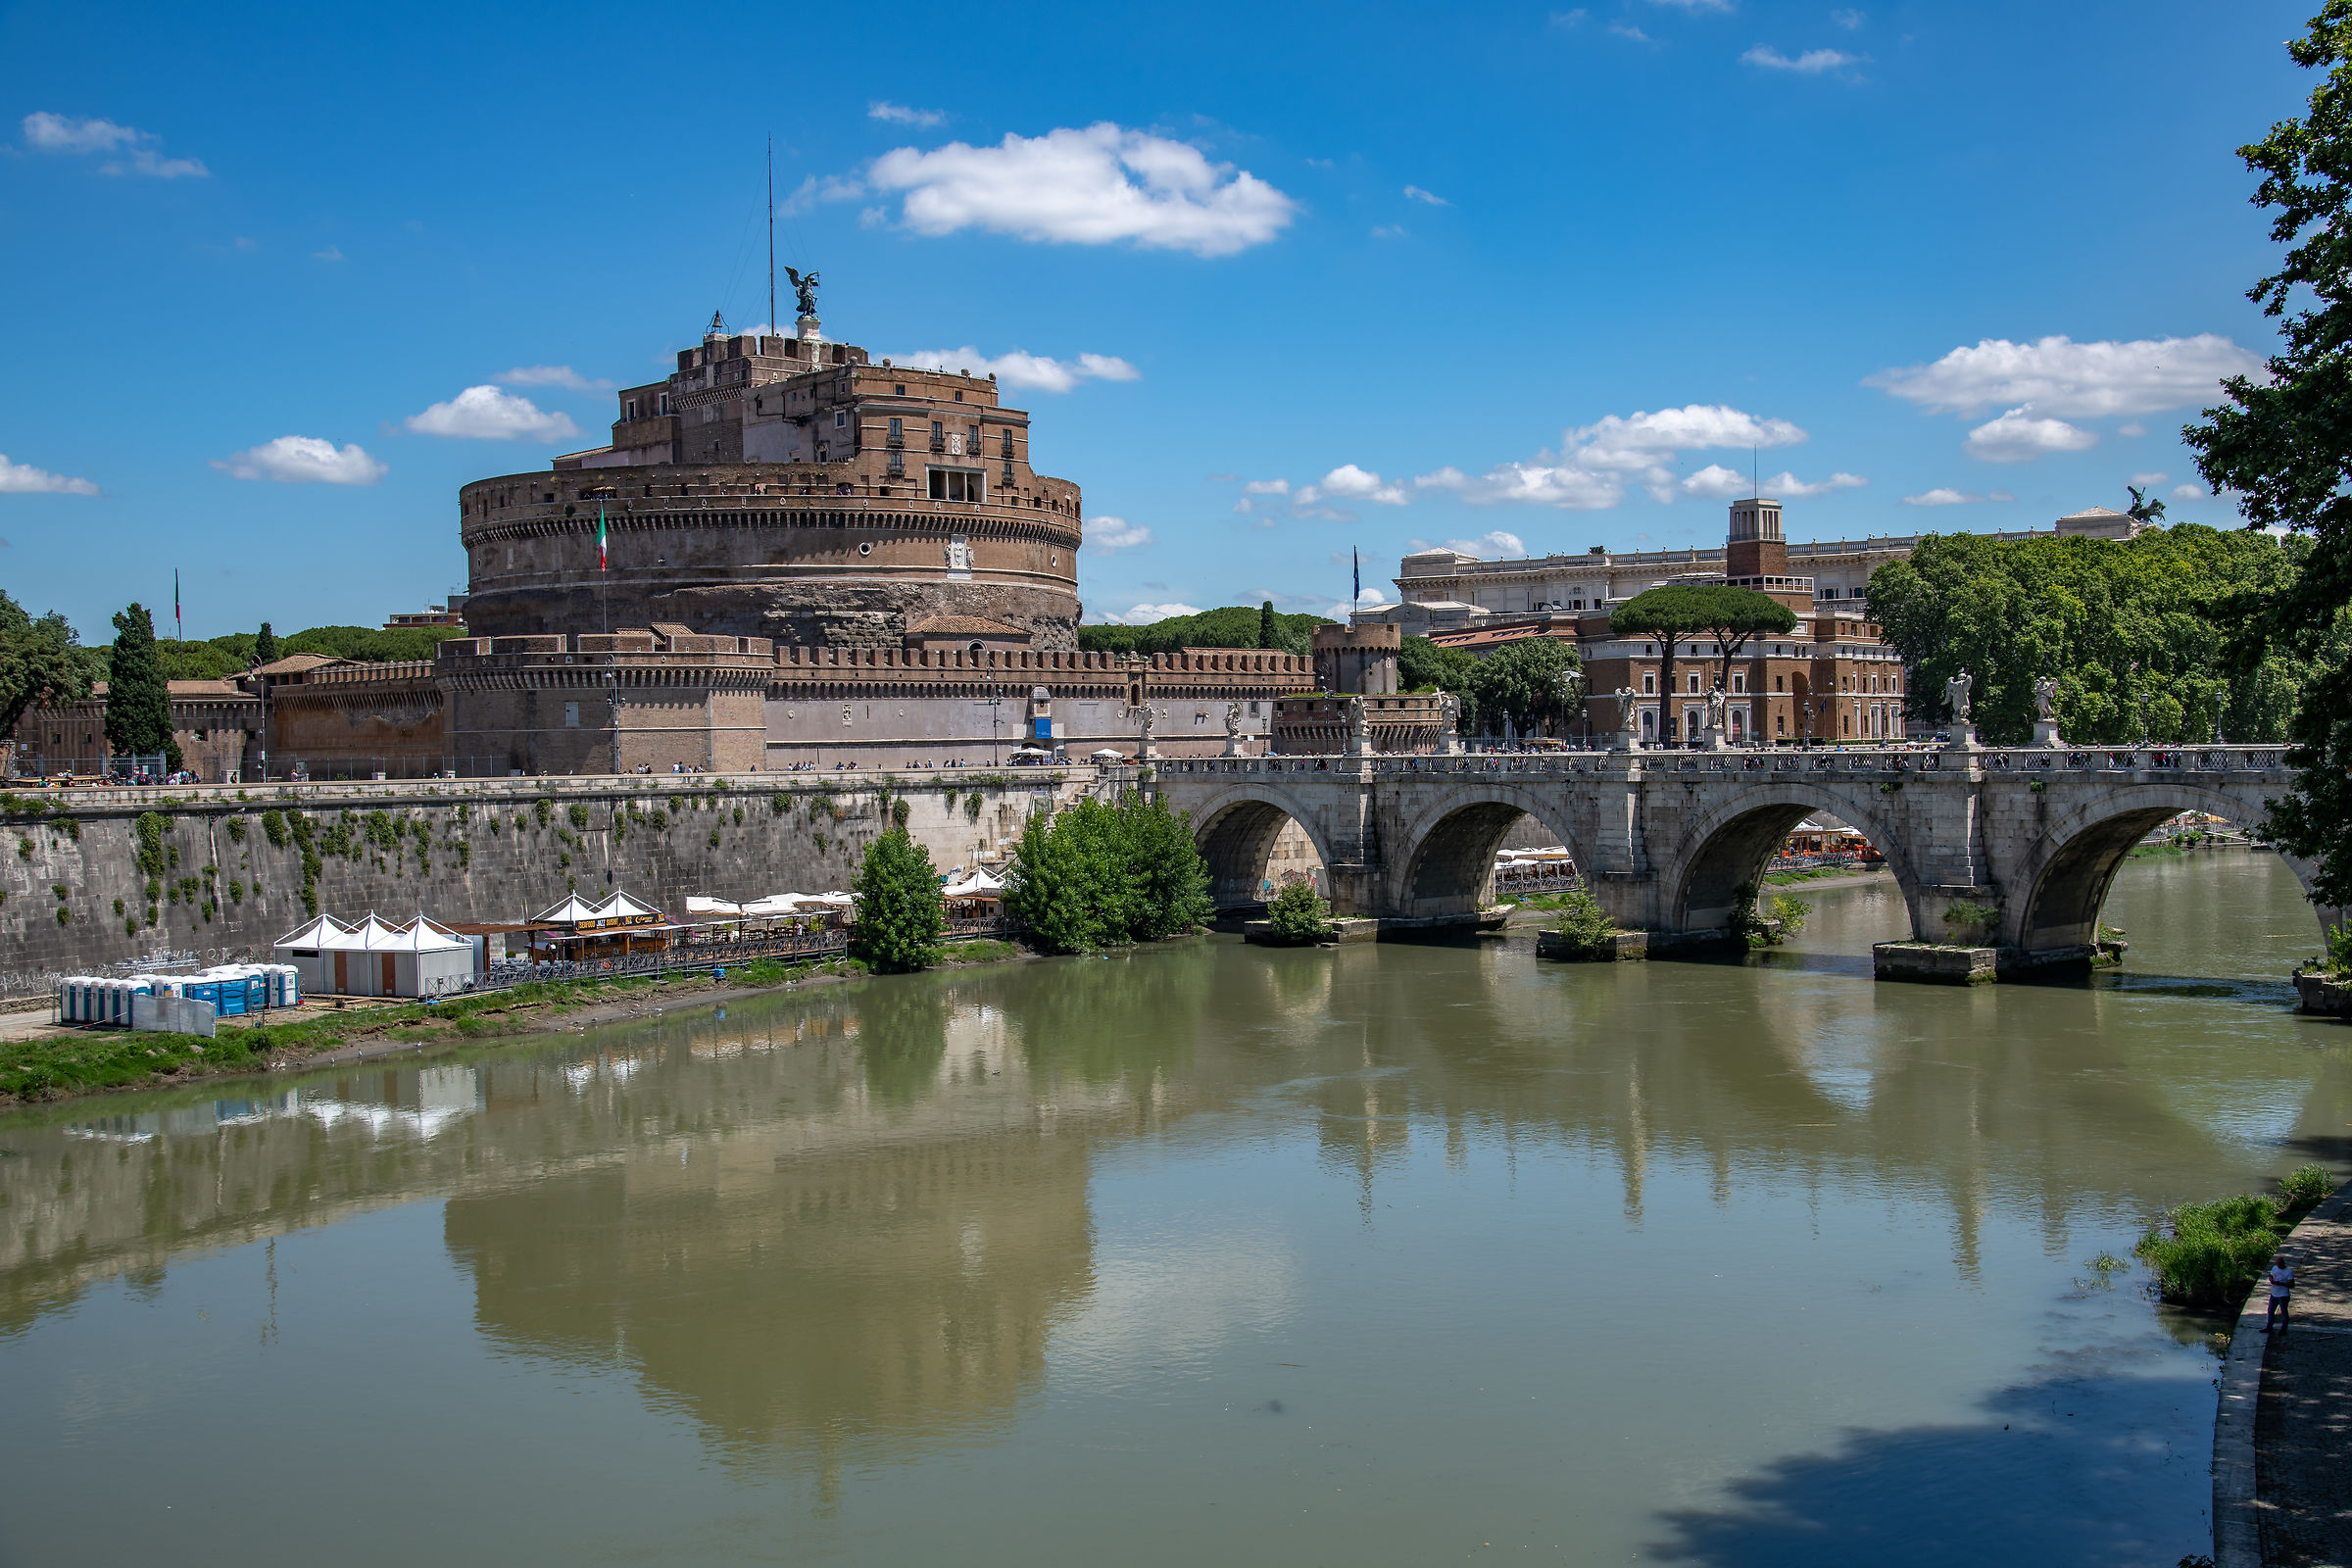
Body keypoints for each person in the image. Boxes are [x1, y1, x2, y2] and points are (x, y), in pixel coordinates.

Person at [2269, 1255, 2295, 1335]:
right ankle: (2269, 1327)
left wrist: (2281, 1284)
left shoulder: (2288, 1272)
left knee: (2284, 1313)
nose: (2278, 1265)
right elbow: (2270, 1275)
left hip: (2283, 1295)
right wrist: (2271, 1280)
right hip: (2274, 1294)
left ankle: (2283, 1329)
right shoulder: (2274, 1268)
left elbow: (2292, 1285)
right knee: (2270, 1311)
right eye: (2277, 1264)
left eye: (2279, 1264)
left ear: (2283, 1263)